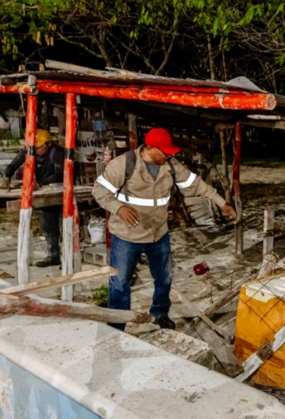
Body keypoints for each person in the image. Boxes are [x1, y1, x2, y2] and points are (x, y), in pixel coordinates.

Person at [92, 127, 236, 330]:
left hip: (158, 233)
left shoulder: (171, 165)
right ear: (149, 148)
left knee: (164, 278)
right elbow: (98, 190)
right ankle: (116, 327)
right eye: (165, 151)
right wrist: (118, 208)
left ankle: (160, 313)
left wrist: (222, 203)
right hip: (126, 235)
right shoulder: (123, 164)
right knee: (120, 283)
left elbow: (197, 185)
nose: (169, 155)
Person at [2, 129, 65, 267]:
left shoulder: (57, 153)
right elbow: (13, 164)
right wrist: (7, 176)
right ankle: (53, 255)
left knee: (65, 225)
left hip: (60, 192)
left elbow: (60, 174)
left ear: (48, 144)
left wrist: (40, 183)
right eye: (35, 147)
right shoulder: (30, 150)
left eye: (40, 147)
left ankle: (68, 256)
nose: (37, 150)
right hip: (43, 194)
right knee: (48, 225)